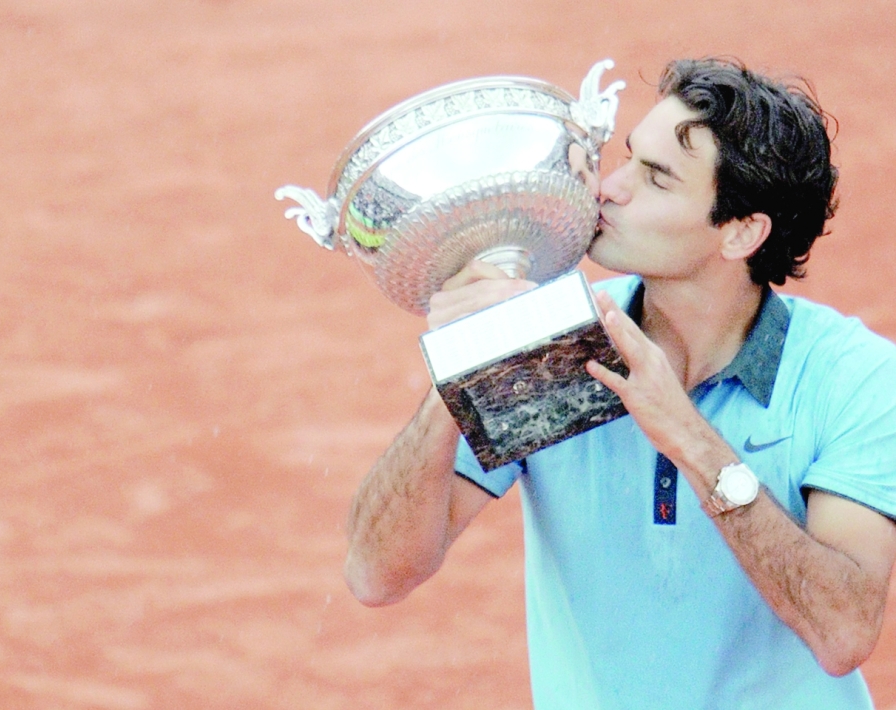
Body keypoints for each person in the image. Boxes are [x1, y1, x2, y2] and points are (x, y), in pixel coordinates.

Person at [343, 57, 896, 708]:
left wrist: (688, 436)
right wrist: (459, 373)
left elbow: (843, 633)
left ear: (741, 231)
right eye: (629, 157)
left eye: (656, 179)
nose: (609, 187)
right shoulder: (556, 348)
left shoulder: (854, 377)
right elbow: (376, 575)